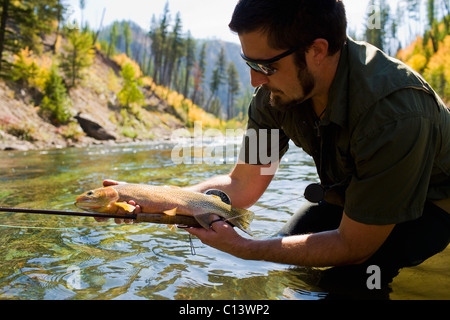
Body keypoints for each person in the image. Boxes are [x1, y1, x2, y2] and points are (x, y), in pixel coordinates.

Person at [104, 0, 450, 276]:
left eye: (266, 67)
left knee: (347, 282)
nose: (255, 81)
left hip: (429, 210)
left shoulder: (395, 113)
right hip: (351, 199)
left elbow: (354, 246)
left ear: (316, 51)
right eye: (248, 63)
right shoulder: (275, 98)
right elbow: (243, 184)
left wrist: (246, 248)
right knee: (287, 264)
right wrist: (152, 198)